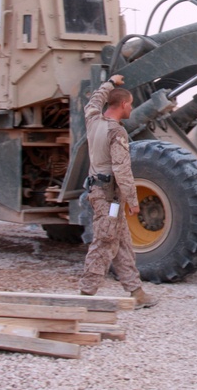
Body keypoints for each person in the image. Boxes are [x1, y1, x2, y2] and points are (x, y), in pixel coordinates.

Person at [78, 74, 158, 308]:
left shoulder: (93, 119)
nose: (131, 108)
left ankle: (136, 292)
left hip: (103, 194)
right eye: (130, 103)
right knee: (104, 242)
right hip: (108, 197)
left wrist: (110, 83)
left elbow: (95, 100)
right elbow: (122, 169)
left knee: (122, 243)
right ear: (123, 105)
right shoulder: (116, 132)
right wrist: (133, 200)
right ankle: (86, 294)